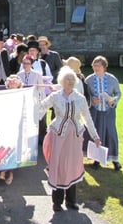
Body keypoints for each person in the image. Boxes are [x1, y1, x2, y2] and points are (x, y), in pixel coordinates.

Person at [39, 66, 101, 212]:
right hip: (58, 137)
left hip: (74, 137)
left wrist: (95, 137)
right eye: (67, 79)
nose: (70, 81)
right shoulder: (55, 96)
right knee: (59, 166)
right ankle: (57, 202)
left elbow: (87, 118)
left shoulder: (80, 98)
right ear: (61, 81)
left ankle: (71, 201)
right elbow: (40, 108)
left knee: (72, 166)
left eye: (72, 79)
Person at [85, 55, 122, 170]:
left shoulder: (112, 79)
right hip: (95, 111)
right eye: (94, 66)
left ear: (104, 67)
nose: (96, 68)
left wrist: (113, 101)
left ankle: (114, 159)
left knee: (111, 133)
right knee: (97, 134)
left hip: (108, 111)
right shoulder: (89, 80)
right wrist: (92, 100)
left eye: (98, 66)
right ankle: (96, 159)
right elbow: (85, 95)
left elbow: (118, 93)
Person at [0, 74, 24, 186]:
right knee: (5, 149)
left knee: (14, 149)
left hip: (17, 125)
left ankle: (9, 173)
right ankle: (3, 170)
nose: (12, 83)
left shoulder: (22, 95)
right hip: (5, 125)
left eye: (15, 81)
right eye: (11, 81)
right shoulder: (3, 94)